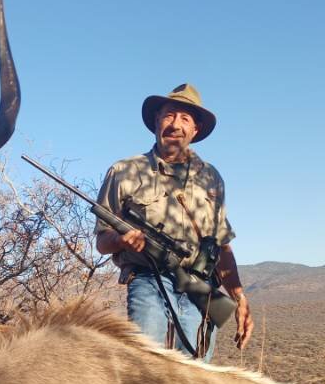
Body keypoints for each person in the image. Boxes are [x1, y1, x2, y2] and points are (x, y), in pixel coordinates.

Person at [95, 83, 253, 359]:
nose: (175, 124)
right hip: (147, 281)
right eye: (169, 115)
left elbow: (222, 246)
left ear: (196, 130)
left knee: (194, 375)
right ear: (156, 121)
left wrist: (239, 298)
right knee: (146, 365)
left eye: (185, 118)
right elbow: (102, 241)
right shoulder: (125, 171)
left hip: (199, 289)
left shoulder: (211, 178)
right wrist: (121, 240)